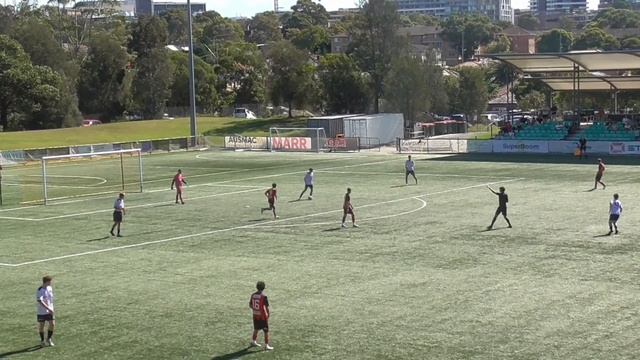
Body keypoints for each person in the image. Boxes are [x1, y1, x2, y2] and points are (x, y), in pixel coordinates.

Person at [249, 281, 273, 350]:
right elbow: (266, 306)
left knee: (256, 329)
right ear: (263, 288)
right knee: (266, 331)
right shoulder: (264, 296)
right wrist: (268, 314)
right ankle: (266, 345)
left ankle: (253, 341)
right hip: (262, 316)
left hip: (255, 315)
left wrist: (255, 310)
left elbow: (250, 305)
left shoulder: (253, 295)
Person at [36, 275, 55, 347]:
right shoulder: (40, 290)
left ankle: (49, 339)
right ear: (46, 282)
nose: (51, 282)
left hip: (50, 310)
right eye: (50, 281)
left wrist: (51, 308)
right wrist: (48, 308)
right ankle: (42, 340)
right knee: (42, 325)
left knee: (52, 324)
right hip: (42, 311)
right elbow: (40, 301)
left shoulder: (50, 288)